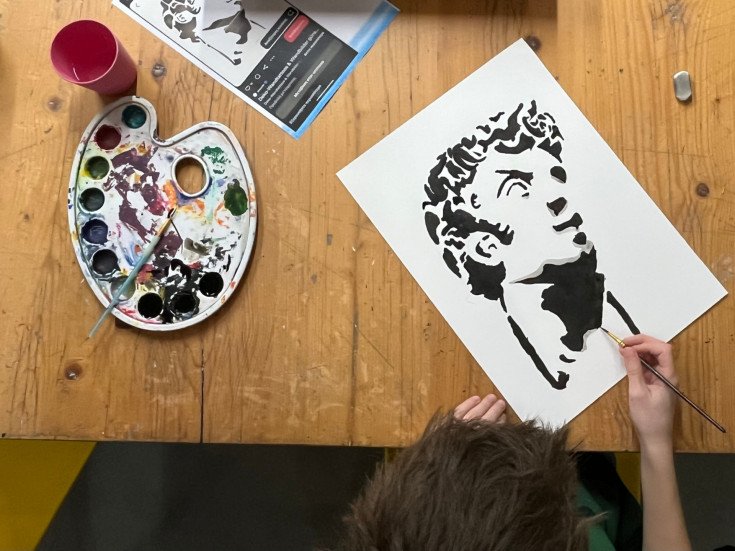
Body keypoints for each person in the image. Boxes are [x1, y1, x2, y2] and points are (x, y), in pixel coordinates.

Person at [337, 334, 692, 551]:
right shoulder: (562, 516)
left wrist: (440, 466)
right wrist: (656, 442)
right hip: (591, 482)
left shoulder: (416, 519)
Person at [422, 101, 639, 390]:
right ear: (485, 247)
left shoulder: (623, 307)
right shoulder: (498, 372)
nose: (559, 197)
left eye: (557, 178)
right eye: (519, 188)